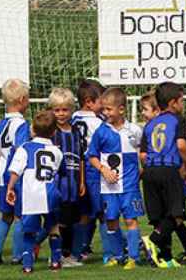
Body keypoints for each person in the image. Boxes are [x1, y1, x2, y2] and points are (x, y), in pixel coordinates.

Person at [139, 87, 186, 266]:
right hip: (169, 170)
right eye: (182, 101)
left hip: (149, 171)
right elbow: (181, 145)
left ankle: (166, 258)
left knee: (160, 216)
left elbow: (142, 155)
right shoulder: (178, 120)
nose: (183, 104)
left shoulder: (150, 125)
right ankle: (152, 240)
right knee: (176, 215)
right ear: (173, 103)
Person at [87, 87, 144, 269]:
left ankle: (133, 257)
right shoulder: (101, 131)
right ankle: (117, 255)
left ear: (121, 109)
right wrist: (103, 169)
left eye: (108, 109)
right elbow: (92, 155)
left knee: (130, 220)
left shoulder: (135, 130)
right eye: (103, 109)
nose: (105, 112)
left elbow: (143, 153)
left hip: (129, 186)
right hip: (109, 187)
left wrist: (141, 171)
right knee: (111, 220)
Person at [6, 110, 65, 273]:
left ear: (32, 129)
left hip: (31, 194)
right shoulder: (57, 151)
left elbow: (16, 171)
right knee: (53, 227)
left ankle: (27, 266)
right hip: (51, 194)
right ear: (54, 132)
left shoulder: (25, 148)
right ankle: (55, 262)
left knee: (29, 230)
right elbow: (61, 172)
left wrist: (10, 187)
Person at [0, 79, 31, 265]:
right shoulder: (22, 125)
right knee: (20, 215)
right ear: (22, 99)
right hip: (15, 174)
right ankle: (17, 255)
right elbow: (21, 150)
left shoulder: (1, 125)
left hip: (1, 175)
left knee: (5, 215)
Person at [49, 87, 84, 266]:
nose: (61, 114)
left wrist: (82, 181)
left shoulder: (76, 132)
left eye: (65, 110)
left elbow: (81, 158)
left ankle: (67, 254)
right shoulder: (51, 133)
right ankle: (58, 254)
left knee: (71, 221)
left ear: (71, 110)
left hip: (73, 184)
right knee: (58, 221)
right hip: (57, 185)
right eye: (57, 110)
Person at [71, 79, 106, 260]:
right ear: (89, 102)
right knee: (98, 210)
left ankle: (83, 246)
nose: (105, 104)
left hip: (75, 166)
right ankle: (80, 249)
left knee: (87, 210)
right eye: (101, 101)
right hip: (92, 167)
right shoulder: (98, 122)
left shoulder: (73, 117)